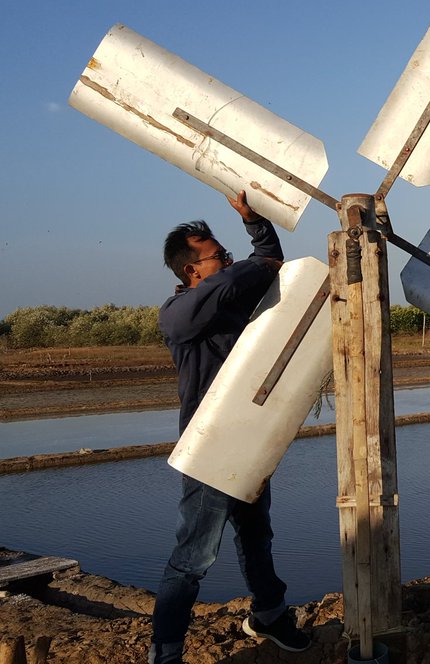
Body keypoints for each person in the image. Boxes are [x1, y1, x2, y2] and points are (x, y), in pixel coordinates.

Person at [149, 191, 310, 664]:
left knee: (256, 537)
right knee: (193, 558)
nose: (227, 260)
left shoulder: (228, 304)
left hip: (247, 438)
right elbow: (261, 266)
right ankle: (166, 652)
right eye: (218, 255)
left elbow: (266, 262)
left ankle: (269, 614)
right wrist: (256, 263)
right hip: (209, 447)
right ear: (191, 271)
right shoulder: (179, 314)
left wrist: (255, 225)